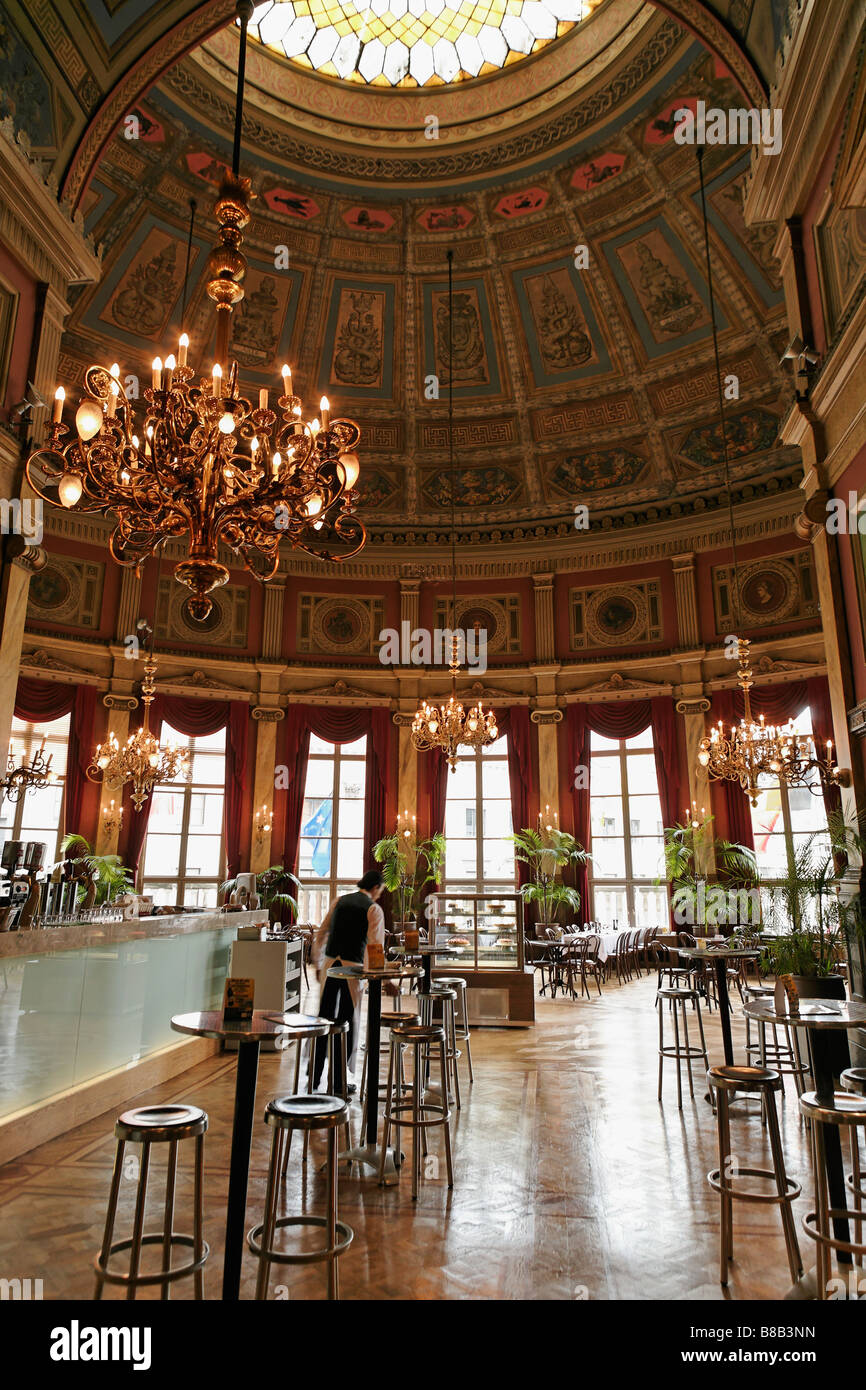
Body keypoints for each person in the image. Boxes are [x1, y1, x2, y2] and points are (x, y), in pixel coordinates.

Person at [311, 869, 386, 1090]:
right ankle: (340, 1080)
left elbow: (322, 932)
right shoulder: (373, 909)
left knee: (324, 1018)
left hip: (330, 966)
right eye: (380, 890)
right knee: (348, 1020)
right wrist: (375, 975)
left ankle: (315, 1076)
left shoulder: (338, 901)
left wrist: (317, 963)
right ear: (375, 888)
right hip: (353, 968)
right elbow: (375, 946)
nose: (379, 895)